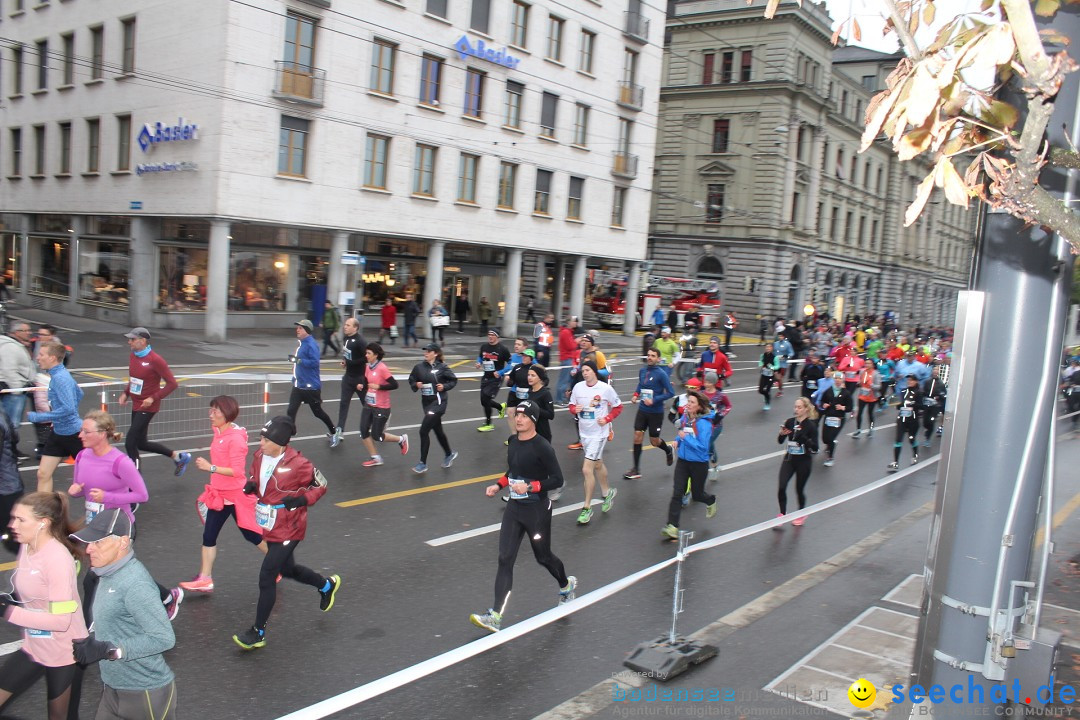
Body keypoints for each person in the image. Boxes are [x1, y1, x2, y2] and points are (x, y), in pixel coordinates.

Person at [232, 416, 341, 650]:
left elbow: (321, 485)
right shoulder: (260, 456)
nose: (260, 443)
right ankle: (326, 585)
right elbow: (255, 473)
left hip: (290, 527)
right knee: (287, 569)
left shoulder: (299, 464)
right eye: (260, 438)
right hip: (270, 525)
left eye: (265, 439)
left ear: (279, 442)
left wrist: (303, 498)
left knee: (266, 576)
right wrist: (252, 483)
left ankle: (257, 632)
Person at [469, 401, 576, 633]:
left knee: (543, 557)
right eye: (517, 415)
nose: (518, 419)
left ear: (533, 420)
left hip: (537, 511)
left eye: (524, 416)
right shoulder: (514, 442)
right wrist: (499, 485)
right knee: (504, 558)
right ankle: (495, 615)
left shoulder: (543, 447)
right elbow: (513, 470)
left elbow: (557, 479)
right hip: (514, 510)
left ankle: (566, 585)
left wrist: (532, 486)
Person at [69, 410, 183, 620]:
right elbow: (82, 489)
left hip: (118, 526)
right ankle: (167, 596)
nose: (80, 435)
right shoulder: (82, 456)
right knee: (122, 574)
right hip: (95, 526)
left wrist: (108, 497)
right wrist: (75, 491)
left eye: (86, 431)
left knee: (92, 579)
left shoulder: (120, 462)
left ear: (102, 434)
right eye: (81, 431)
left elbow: (142, 495)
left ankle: (87, 631)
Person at [69, 508, 178, 718]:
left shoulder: (135, 584)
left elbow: (164, 638)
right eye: (89, 542)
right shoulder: (104, 573)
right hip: (112, 690)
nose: (89, 549)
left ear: (123, 542)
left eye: (98, 542)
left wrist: (109, 650)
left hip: (146, 695)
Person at [0, 492, 87, 720]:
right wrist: (10, 599)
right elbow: (33, 591)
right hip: (34, 644)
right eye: (13, 518)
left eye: (20, 520)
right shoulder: (27, 545)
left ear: (43, 523)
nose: (12, 525)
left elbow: (61, 621)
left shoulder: (57, 559)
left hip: (65, 652)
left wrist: (8, 611)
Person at [179, 396, 267, 594]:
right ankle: (205, 578)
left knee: (252, 535)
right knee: (209, 535)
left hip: (235, 496)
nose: (211, 415)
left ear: (226, 414)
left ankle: (278, 564)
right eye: (211, 410)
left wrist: (210, 467)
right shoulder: (220, 430)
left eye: (215, 411)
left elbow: (237, 471)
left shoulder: (235, 440)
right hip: (219, 494)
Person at [117, 327, 191, 474]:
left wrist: (153, 398)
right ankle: (178, 457)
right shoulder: (134, 355)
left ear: (143, 341)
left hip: (148, 407)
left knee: (130, 443)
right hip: (137, 404)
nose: (129, 342)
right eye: (129, 339)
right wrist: (126, 393)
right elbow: (134, 378)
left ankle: (135, 478)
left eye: (132, 339)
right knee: (141, 443)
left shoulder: (155, 360)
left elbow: (172, 384)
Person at [569, 361, 622, 525]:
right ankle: (607, 492)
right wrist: (574, 409)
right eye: (583, 370)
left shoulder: (605, 388)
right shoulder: (578, 387)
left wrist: (607, 418)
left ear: (594, 372)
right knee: (597, 464)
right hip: (584, 433)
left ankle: (587, 508)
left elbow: (618, 407)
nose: (584, 373)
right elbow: (571, 405)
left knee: (587, 469)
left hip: (599, 434)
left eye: (587, 370)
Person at [661, 390, 718, 539]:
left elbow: (703, 447)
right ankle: (672, 526)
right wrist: (677, 440)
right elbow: (682, 431)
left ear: (699, 407)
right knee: (677, 492)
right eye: (688, 401)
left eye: (692, 402)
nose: (688, 404)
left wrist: (684, 439)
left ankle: (710, 500)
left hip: (699, 464)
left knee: (697, 494)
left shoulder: (704, 424)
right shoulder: (686, 417)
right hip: (683, 461)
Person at [28, 343, 83, 494]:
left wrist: (41, 417)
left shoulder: (61, 378)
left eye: (41, 355)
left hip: (74, 435)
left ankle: (112, 504)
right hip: (58, 433)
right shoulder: (57, 375)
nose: (37, 358)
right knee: (43, 474)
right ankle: (44, 512)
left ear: (52, 358)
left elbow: (69, 408)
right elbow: (80, 393)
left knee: (90, 477)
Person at [623, 348, 675, 480]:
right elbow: (640, 385)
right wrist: (635, 395)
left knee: (654, 441)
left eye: (653, 356)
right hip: (642, 410)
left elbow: (670, 393)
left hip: (656, 413)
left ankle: (668, 450)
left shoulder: (661, 374)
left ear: (658, 359)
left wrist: (654, 400)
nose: (650, 357)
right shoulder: (642, 370)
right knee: (637, 436)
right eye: (649, 355)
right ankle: (636, 469)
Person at [407, 343, 459, 474]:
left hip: (439, 403)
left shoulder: (442, 367)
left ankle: (422, 463)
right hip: (426, 403)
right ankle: (449, 453)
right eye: (425, 351)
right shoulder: (419, 367)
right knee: (438, 430)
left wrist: (444, 387)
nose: (426, 353)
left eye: (429, 351)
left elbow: (453, 380)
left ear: (435, 353)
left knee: (423, 431)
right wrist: (416, 384)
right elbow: (411, 379)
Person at [287, 320, 338, 446]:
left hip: (310, 387)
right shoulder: (302, 343)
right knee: (291, 411)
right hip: (299, 385)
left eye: (300, 328)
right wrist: (295, 378)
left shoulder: (311, 345)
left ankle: (334, 432)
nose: (297, 330)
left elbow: (315, 363)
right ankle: (290, 434)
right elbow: (299, 365)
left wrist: (298, 361)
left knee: (318, 412)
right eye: (297, 328)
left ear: (307, 330)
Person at [359, 342, 409, 467]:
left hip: (381, 406)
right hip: (369, 403)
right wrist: (362, 385)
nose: (366, 355)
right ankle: (376, 458)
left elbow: (394, 384)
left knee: (377, 435)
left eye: (369, 353)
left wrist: (379, 386)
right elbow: (366, 381)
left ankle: (401, 439)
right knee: (363, 431)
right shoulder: (368, 367)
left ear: (375, 355)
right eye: (366, 353)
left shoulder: (382, 368)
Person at [776, 396, 819, 526]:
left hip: (804, 461)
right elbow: (780, 441)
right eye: (795, 407)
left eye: (799, 407)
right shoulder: (789, 422)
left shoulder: (811, 426)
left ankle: (801, 513)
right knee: (781, 486)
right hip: (789, 458)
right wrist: (781, 434)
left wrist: (804, 439)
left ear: (806, 409)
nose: (796, 409)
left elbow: (816, 447)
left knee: (799, 489)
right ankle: (782, 514)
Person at [0, 322, 36, 454]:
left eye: (29, 330)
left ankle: (9, 450)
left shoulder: (17, 345)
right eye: (24, 330)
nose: (28, 332)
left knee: (11, 423)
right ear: (15, 332)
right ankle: (9, 451)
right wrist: (17, 390)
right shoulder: (11, 347)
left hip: (16, 390)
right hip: (13, 392)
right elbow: (9, 370)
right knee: (12, 423)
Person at [334, 316, 368, 445]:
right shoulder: (346, 338)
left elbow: (367, 357)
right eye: (345, 324)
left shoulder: (360, 341)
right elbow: (347, 353)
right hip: (348, 377)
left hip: (360, 378)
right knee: (343, 404)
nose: (345, 327)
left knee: (366, 404)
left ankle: (379, 422)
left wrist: (352, 363)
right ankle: (340, 430)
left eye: (348, 325)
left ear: (355, 328)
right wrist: (345, 361)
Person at [476, 330, 512, 433]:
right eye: (489, 335)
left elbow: (510, 363)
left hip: (496, 379)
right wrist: (478, 363)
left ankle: (489, 424)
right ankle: (500, 407)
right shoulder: (484, 347)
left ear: (497, 337)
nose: (490, 337)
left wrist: (501, 372)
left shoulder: (503, 349)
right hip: (486, 377)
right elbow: (480, 357)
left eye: (493, 335)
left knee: (486, 398)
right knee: (483, 401)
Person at [815, 372, 853, 467]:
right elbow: (822, 401)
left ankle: (830, 458)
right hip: (828, 417)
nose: (837, 380)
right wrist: (824, 404)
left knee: (831, 438)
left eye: (839, 378)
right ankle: (830, 444)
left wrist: (842, 407)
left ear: (842, 380)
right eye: (836, 378)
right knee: (824, 439)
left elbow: (850, 407)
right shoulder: (828, 390)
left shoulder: (846, 393)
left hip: (839, 419)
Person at [889, 374, 925, 471]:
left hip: (912, 420)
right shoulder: (903, 391)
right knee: (898, 440)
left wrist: (913, 405)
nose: (909, 382)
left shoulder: (919, 393)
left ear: (916, 382)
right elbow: (898, 405)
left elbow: (922, 406)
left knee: (911, 439)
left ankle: (915, 454)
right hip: (901, 419)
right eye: (908, 380)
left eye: (912, 380)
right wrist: (895, 403)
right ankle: (895, 462)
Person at [555, 316, 580, 405]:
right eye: (574, 321)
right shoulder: (566, 332)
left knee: (566, 379)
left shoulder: (567, 332)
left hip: (568, 358)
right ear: (569, 322)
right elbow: (571, 346)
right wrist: (576, 341)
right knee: (564, 380)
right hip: (567, 358)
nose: (576, 323)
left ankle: (562, 398)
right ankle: (559, 400)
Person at [852, 362, 882, 438]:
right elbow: (860, 381)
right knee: (859, 413)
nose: (867, 365)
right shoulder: (862, 372)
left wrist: (871, 385)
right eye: (866, 363)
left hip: (872, 397)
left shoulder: (876, 374)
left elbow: (879, 386)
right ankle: (858, 429)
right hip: (862, 396)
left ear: (872, 365)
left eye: (869, 364)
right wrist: (859, 383)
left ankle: (871, 429)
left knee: (870, 414)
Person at [921, 367, 948, 446]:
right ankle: (927, 429)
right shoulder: (927, 381)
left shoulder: (941, 384)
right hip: (926, 404)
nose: (935, 372)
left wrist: (939, 397)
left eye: (937, 371)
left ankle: (928, 439)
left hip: (935, 406)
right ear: (932, 372)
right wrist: (923, 397)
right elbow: (923, 392)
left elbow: (944, 394)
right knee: (925, 421)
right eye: (934, 371)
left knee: (931, 421)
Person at [758, 346, 780, 411]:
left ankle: (767, 403)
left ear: (771, 349)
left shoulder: (775, 357)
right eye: (767, 347)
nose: (768, 348)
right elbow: (760, 362)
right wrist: (761, 365)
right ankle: (766, 395)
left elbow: (777, 366)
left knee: (767, 390)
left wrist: (772, 367)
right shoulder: (762, 355)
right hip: (764, 374)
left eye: (769, 347)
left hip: (770, 376)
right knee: (760, 390)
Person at [772, 332, 795, 397]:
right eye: (779, 336)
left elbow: (791, 353)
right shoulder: (775, 344)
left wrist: (786, 356)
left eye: (781, 336)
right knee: (775, 376)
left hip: (783, 364)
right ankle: (775, 382)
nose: (780, 338)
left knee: (779, 378)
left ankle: (780, 391)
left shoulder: (787, 344)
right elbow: (773, 352)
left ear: (784, 337)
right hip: (775, 363)